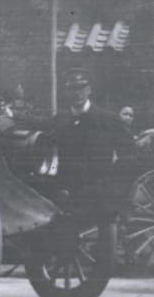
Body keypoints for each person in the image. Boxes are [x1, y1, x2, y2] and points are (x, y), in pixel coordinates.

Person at [51, 67, 136, 222]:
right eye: (72, 88)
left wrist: (114, 186)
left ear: (89, 89)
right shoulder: (61, 119)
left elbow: (129, 154)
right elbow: (41, 124)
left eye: (81, 88)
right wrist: (12, 115)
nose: (77, 93)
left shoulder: (108, 119)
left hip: (101, 195)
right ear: (66, 91)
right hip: (69, 195)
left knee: (104, 241)